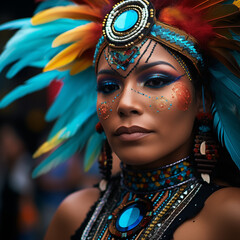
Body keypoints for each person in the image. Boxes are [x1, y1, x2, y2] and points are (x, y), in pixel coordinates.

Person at [0, 0, 240, 239]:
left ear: (202, 98)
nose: (125, 103)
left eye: (155, 81)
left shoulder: (229, 215)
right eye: (109, 86)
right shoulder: (72, 213)